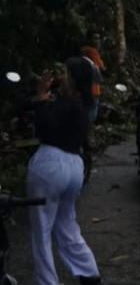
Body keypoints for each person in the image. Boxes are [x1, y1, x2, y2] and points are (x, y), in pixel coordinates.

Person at [27, 58, 102, 285]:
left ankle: (47, 281)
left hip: (50, 165)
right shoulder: (85, 105)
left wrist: (41, 98)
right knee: (67, 223)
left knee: (41, 232)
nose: (62, 78)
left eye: (66, 74)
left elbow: (47, 130)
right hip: (74, 166)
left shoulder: (66, 102)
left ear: (74, 79)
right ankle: (89, 273)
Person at [80, 29, 104, 123]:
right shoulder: (91, 51)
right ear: (89, 39)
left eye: (98, 38)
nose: (97, 41)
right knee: (93, 107)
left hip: (84, 84)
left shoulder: (83, 50)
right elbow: (100, 67)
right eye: (95, 38)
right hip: (93, 83)